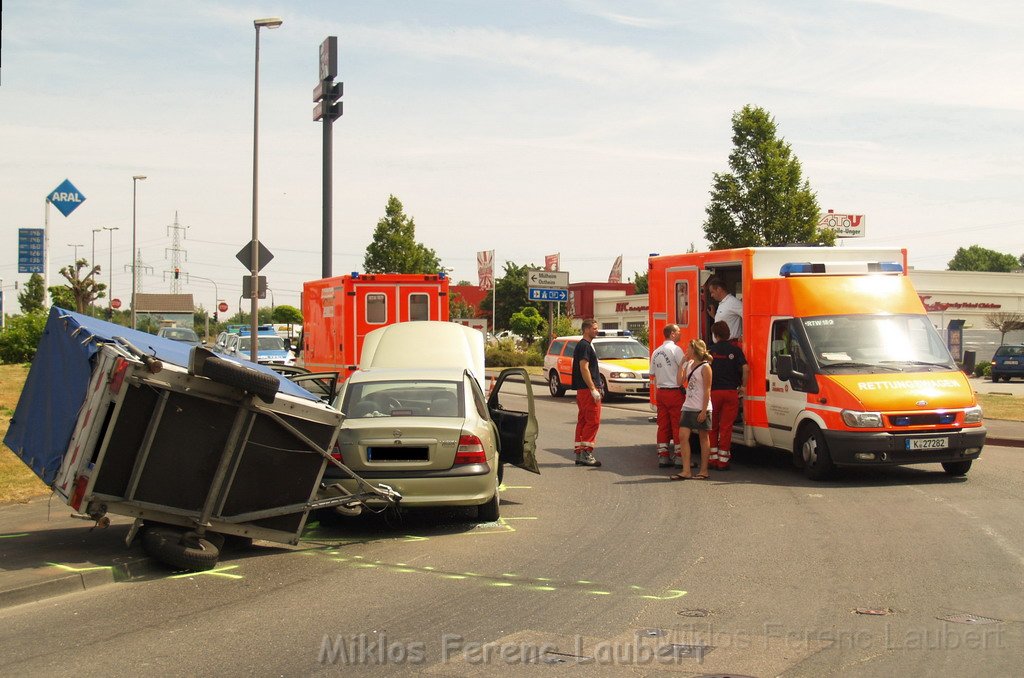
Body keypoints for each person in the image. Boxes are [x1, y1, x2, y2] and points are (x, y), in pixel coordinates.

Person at [707, 321, 748, 470]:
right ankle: (723, 461)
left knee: (713, 426)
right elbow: (746, 368)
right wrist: (743, 386)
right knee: (726, 427)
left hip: (714, 393)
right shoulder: (735, 350)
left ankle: (712, 459)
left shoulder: (710, 351)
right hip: (731, 393)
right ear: (728, 334)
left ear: (716, 335)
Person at [670, 339, 713, 480]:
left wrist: (703, 410)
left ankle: (704, 471)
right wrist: (681, 364)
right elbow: (679, 382)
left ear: (694, 350)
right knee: (682, 436)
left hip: (701, 407)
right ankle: (686, 470)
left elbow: (707, 390)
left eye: (688, 348)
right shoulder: (688, 364)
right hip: (688, 406)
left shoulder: (706, 367)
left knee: (703, 437)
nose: (686, 350)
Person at [650, 323, 685, 468]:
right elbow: (684, 368)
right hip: (674, 392)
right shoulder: (676, 350)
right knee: (678, 425)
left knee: (663, 425)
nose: (680, 333)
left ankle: (663, 455)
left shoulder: (656, 352)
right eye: (678, 331)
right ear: (672, 334)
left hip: (661, 392)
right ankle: (679, 456)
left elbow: (652, 374)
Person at [572, 319, 602, 467]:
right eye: (594, 328)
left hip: (582, 390)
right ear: (586, 330)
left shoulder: (582, 345)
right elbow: (584, 367)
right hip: (587, 390)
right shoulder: (585, 346)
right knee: (593, 421)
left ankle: (579, 452)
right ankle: (586, 453)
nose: (597, 330)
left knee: (583, 420)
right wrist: (593, 389)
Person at [705, 276, 742, 342]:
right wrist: (714, 316)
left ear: (719, 289)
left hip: (730, 344)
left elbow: (748, 317)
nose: (711, 295)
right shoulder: (722, 303)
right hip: (721, 345)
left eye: (712, 292)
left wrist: (743, 335)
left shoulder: (733, 302)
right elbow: (726, 320)